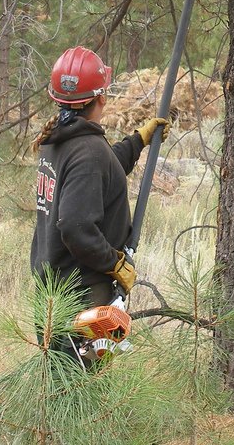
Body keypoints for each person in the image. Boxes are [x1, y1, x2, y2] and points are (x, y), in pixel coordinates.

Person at [30, 46, 170, 321]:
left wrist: (138, 140)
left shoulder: (59, 140)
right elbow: (74, 226)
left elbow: (100, 172)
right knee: (81, 366)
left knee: (58, 365)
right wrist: (114, 263)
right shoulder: (88, 151)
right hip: (82, 292)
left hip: (53, 289)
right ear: (102, 97)